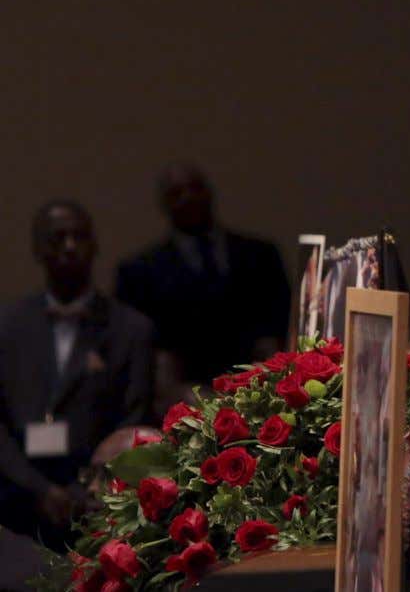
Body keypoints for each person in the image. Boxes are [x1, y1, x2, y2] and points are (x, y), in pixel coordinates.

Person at [0, 201, 153, 548]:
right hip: (15, 503)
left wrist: (83, 490)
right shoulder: (6, 327)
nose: (69, 246)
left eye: (79, 236)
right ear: (37, 249)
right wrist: (39, 490)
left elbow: (134, 418)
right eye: (57, 238)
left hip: (98, 505)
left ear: (95, 245)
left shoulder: (131, 329)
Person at [115, 163, 291, 407]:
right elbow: (144, 353)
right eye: (176, 193)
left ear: (210, 193)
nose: (188, 197)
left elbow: (277, 330)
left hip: (258, 393)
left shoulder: (260, 256)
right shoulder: (139, 271)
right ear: (163, 205)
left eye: (195, 188)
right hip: (178, 403)